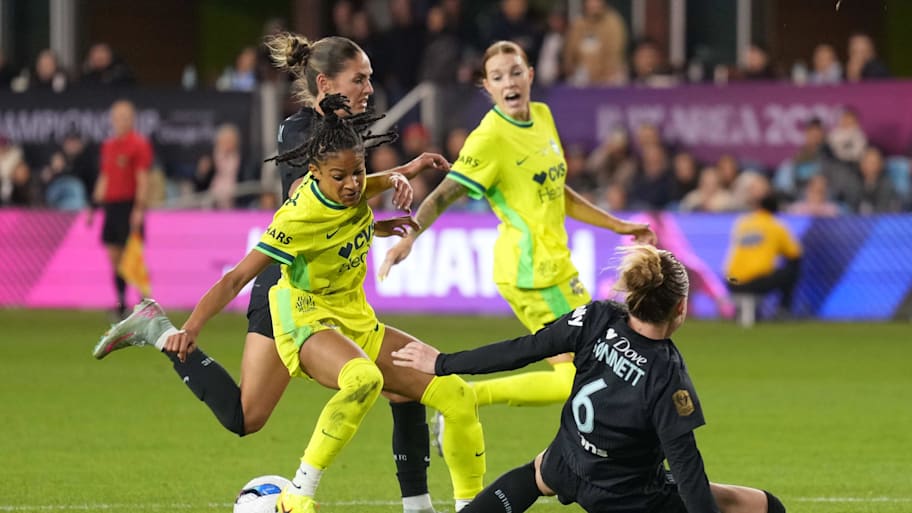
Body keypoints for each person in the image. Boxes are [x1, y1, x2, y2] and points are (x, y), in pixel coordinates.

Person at [93, 34, 456, 513]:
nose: (369, 88)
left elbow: (344, 199)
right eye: (360, 79)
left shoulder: (344, 130)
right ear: (325, 83)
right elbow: (318, 202)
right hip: (289, 288)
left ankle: (418, 505)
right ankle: (160, 331)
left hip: (332, 292)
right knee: (248, 416)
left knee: (403, 385)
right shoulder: (302, 132)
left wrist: (385, 204)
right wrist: (394, 176)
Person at [391, 245, 787, 513]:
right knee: (764, 505)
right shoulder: (667, 374)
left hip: (569, 459)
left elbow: (523, 349)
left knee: (536, 474)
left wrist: (442, 362)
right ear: (680, 308)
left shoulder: (596, 317)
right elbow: (687, 468)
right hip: (629, 494)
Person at [380, 40, 655, 412]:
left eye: (514, 72)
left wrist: (617, 225)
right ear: (487, 86)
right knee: (582, 375)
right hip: (531, 273)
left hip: (557, 265)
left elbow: (557, 191)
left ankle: (469, 401)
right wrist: (410, 235)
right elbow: (444, 194)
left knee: (596, 369)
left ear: (530, 75)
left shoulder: (541, 116)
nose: (508, 82)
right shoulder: (489, 138)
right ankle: (465, 398)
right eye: (497, 77)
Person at [88, 99, 153, 318]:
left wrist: (139, 208)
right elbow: (105, 177)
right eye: (118, 117)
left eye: (125, 117)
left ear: (132, 119)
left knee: (133, 256)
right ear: (112, 120)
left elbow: (142, 179)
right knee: (114, 257)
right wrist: (93, 206)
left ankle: (145, 302)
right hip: (112, 206)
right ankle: (122, 303)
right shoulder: (108, 146)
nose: (121, 121)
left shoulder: (139, 145)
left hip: (129, 205)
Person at [724, 193, 802, 320]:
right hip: (753, 283)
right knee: (792, 269)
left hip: (731, 280)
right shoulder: (776, 226)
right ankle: (783, 310)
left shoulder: (743, 223)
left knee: (756, 273)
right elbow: (795, 253)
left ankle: (751, 310)